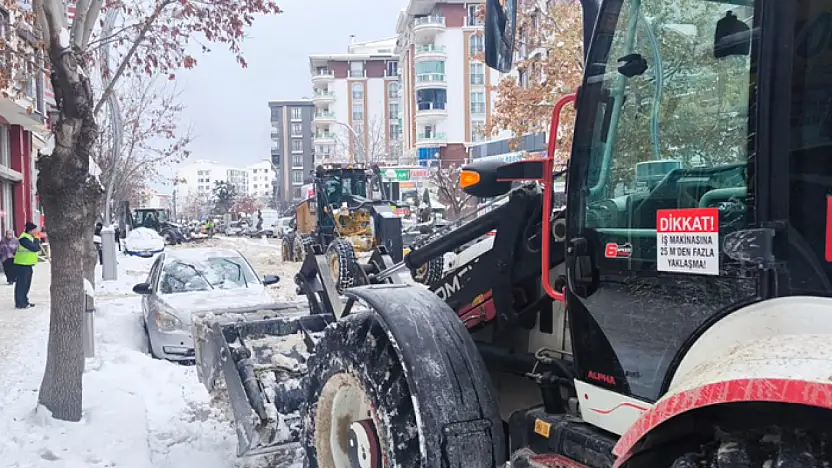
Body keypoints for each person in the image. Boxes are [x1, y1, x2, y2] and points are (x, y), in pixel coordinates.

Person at [14, 222, 41, 309]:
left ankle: (24, 300)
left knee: (26, 284)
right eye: (35, 230)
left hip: (27, 264)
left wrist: (36, 239)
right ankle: (20, 303)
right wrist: (37, 239)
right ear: (30, 230)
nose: (36, 232)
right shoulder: (24, 239)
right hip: (22, 264)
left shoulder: (29, 237)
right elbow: (35, 248)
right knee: (22, 284)